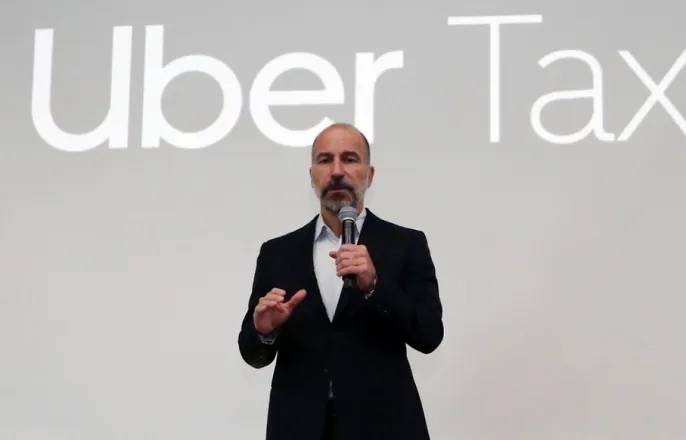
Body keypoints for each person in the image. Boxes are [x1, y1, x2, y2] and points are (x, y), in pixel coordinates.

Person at [237, 122, 444, 440]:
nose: (336, 171)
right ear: (312, 176)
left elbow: (429, 335)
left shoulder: (406, 244)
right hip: (299, 428)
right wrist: (265, 331)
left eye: (349, 159)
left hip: (385, 427)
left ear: (370, 175)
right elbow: (253, 354)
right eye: (325, 160)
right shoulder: (278, 252)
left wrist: (375, 286)